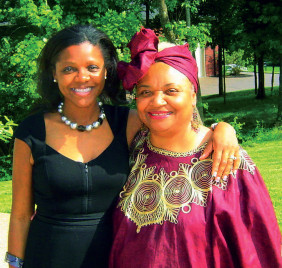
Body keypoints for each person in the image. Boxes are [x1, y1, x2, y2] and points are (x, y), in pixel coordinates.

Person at [6, 25, 239, 268]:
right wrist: (14, 263)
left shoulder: (128, 123)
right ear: (54, 73)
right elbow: (21, 215)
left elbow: (178, 124)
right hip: (46, 258)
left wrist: (221, 128)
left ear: (106, 71)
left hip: (116, 258)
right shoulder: (31, 132)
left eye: (92, 67)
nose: (82, 77)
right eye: (68, 69)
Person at [109, 28, 281, 268]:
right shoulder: (133, 146)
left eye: (171, 90)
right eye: (145, 92)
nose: (157, 101)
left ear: (193, 94)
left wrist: (222, 128)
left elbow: (255, 252)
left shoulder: (228, 162)